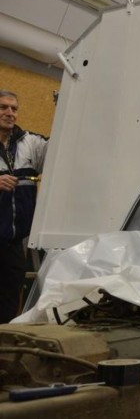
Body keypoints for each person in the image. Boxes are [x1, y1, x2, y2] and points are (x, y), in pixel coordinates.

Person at [0, 89, 47, 323]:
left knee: (9, 307)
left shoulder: (31, 143)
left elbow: (64, 152)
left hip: (14, 243)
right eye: (3, 107)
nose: (10, 113)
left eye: (14, 108)